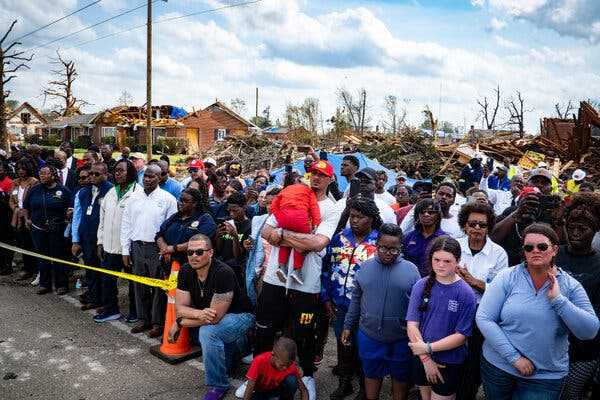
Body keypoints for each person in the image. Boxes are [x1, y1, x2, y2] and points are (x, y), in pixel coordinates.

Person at [250, 159, 342, 400]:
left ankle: (308, 377)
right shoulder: (292, 193)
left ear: (331, 179)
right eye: (313, 173)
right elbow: (267, 232)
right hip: (275, 278)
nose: (316, 178)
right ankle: (257, 376)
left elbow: (318, 242)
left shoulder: (332, 208)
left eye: (322, 175)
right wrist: (294, 237)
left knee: (304, 332)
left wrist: (282, 235)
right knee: (264, 330)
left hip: (306, 282)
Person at [477, 223, 600, 400]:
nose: (535, 251)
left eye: (542, 246)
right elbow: (484, 317)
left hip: (545, 376)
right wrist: (514, 359)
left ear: (555, 250)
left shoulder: (570, 286)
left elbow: (589, 331)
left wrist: (559, 301)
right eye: (529, 247)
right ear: (524, 251)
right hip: (499, 366)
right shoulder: (507, 277)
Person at [169, 234, 254, 400]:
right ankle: (242, 347)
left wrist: (181, 322)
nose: (194, 256)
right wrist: (192, 315)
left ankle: (218, 385)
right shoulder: (186, 270)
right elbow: (180, 309)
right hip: (212, 317)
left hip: (241, 316)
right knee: (226, 362)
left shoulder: (223, 272)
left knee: (208, 332)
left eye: (199, 252)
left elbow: (214, 318)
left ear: (211, 252)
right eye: (190, 252)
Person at [342, 223, 421, 400]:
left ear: (400, 248)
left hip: (401, 339)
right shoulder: (366, 267)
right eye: (383, 248)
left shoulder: (412, 271)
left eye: (394, 249)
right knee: (371, 375)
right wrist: (348, 325)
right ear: (376, 245)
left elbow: (418, 308)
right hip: (369, 336)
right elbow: (356, 298)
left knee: (400, 380)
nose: (387, 253)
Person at [322, 197, 382, 400]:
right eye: (352, 216)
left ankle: (366, 390)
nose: (354, 220)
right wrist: (326, 297)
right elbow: (326, 269)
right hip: (341, 305)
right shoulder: (339, 238)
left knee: (365, 348)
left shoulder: (380, 242)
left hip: (368, 308)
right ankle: (345, 383)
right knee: (343, 344)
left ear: (372, 218)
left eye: (360, 217)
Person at [407, 236, 477, 400]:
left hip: (448, 360)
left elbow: (461, 336)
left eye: (447, 261)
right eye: (436, 259)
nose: (440, 265)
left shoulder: (466, 293)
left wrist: (429, 348)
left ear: (457, 261)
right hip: (421, 356)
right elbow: (412, 324)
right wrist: (425, 358)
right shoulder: (421, 285)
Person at [455, 202, 508, 400]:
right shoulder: (454, 245)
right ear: (465, 225)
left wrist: (472, 281)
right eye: (473, 223)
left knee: (473, 360)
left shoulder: (499, 254)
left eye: (482, 225)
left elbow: (500, 290)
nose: (477, 228)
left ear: (489, 227)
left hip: (482, 313)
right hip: (454, 310)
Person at [121, 164, 177, 336]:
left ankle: (157, 322)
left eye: (152, 176)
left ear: (160, 178)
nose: (147, 179)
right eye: (145, 176)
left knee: (158, 286)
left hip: (156, 249)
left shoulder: (168, 199)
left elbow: (171, 228)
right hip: (137, 247)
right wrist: (125, 249)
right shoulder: (133, 198)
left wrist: (166, 250)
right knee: (139, 285)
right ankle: (143, 319)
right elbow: (126, 224)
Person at [556, 193, 600, 399]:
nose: (575, 233)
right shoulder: (553, 254)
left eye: (583, 229)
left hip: (583, 350)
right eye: (571, 226)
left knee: (569, 396)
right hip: (548, 344)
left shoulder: (598, 264)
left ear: (596, 229)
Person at [96, 159, 141, 323]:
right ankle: (111, 310)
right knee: (108, 281)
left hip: (127, 249)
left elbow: (137, 224)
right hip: (108, 246)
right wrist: (100, 242)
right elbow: (102, 219)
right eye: (116, 171)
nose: (118, 173)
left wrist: (127, 249)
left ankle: (135, 311)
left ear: (130, 172)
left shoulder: (137, 193)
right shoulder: (111, 192)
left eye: (121, 170)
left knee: (132, 283)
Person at [23, 165, 72, 295]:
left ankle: (61, 284)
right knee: (42, 257)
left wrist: (68, 215)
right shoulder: (34, 190)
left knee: (58, 257)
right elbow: (25, 206)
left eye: (45, 173)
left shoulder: (63, 190)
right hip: (38, 229)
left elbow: (71, 207)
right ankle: (45, 284)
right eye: (41, 173)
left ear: (53, 175)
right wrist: (27, 219)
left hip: (57, 229)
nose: (42, 176)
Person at [71, 162, 113, 312]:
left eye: (97, 174)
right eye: (91, 174)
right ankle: (94, 299)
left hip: (103, 240)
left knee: (104, 272)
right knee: (90, 270)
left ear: (106, 175)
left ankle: (105, 302)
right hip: (86, 238)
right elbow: (77, 216)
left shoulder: (111, 191)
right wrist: (75, 239)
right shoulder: (83, 192)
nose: (92, 177)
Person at [269, 182, 321, 285]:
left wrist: (278, 216)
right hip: (300, 218)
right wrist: (316, 223)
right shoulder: (309, 191)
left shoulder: (286, 189)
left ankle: (281, 267)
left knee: (284, 241)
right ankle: (297, 271)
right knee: (300, 242)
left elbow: (274, 203)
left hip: (284, 217)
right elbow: (314, 208)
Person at [156, 188, 217, 266]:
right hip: (168, 262)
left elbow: (200, 242)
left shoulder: (205, 219)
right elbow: (159, 234)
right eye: (180, 200)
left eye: (185, 201)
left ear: (195, 203)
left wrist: (174, 248)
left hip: (191, 264)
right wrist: (165, 249)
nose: (180, 203)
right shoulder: (175, 217)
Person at [242, 337, 309, 400]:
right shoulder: (259, 361)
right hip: (260, 392)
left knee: (292, 381)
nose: (285, 368)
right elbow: (250, 387)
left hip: (277, 391)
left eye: (288, 365)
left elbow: (303, 389)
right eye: (282, 365)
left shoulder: (291, 365)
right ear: (273, 354)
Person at [8, 158, 38, 280]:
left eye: (23, 169)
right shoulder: (15, 182)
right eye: (19, 169)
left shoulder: (34, 182)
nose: (21, 171)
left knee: (33, 244)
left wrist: (25, 212)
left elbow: (34, 200)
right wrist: (16, 209)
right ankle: (27, 268)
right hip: (17, 216)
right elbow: (11, 199)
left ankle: (37, 269)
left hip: (30, 217)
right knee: (23, 244)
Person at [402, 199, 447, 277]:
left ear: (438, 216)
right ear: (418, 215)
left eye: (431, 212)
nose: (426, 214)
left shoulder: (445, 240)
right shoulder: (409, 237)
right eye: (422, 212)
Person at [215, 192, 252, 283]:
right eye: (229, 210)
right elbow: (219, 249)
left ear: (244, 208)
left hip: (237, 270)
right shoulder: (227, 222)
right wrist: (218, 235)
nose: (231, 214)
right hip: (222, 265)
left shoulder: (250, 227)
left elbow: (238, 257)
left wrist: (235, 237)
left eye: (235, 211)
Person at [0, 161, 13, 275]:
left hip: (6, 218)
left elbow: (11, 201)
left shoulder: (9, 182)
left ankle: (7, 265)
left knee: (6, 241)